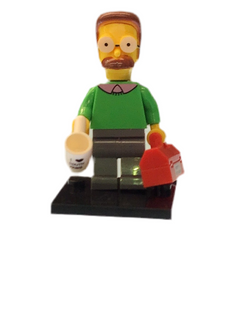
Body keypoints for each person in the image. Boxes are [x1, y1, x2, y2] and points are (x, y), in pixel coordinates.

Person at [69, 12, 166, 190]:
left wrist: (155, 129)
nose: (116, 53)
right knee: (104, 168)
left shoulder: (140, 91)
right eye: (106, 45)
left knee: (134, 163)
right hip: (102, 138)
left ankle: (132, 180)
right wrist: (79, 130)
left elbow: (151, 109)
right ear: (99, 50)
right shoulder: (95, 92)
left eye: (127, 45)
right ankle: (104, 182)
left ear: (137, 50)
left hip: (134, 137)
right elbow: (83, 115)